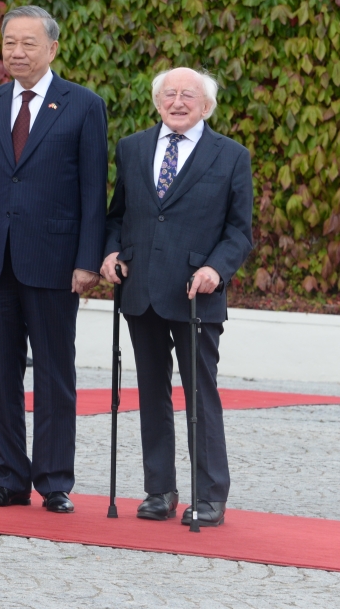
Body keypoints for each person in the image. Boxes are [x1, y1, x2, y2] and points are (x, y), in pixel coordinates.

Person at [0, 5, 108, 514]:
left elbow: (92, 191)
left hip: (56, 262)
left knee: (55, 375)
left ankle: (55, 480)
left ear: (53, 49)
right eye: (9, 43)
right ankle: (9, 478)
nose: (17, 52)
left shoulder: (83, 106)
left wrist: (88, 260)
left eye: (28, 44)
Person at [101, 68, 254, 528]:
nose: (178, 101)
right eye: (169, 94)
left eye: (188, 95)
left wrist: (215, 268)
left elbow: (239, 232)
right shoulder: (132, 148)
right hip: (142, 288)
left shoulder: (231, 156)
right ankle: (159, 489)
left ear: (206, 105)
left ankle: (209, 494)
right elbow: (118, 215)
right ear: (157, 101)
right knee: (151, 392)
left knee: (199, 394)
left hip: (195, 292)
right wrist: (110, 253)